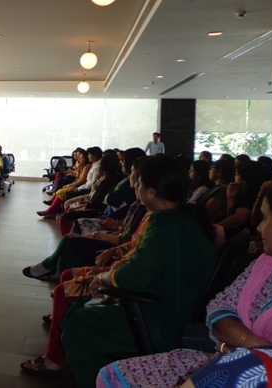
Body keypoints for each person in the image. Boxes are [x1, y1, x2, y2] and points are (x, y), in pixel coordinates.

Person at [21, 156, 217, 385]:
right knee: (74, 293)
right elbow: (143, 259)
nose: (135, 187)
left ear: (151, 192)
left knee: (78, 325)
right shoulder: (183, 217)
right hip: (176, 308)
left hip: (160, 318)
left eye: (139, 183)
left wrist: (101, 277)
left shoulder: (164, 223)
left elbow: (132, 277)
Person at [98, 182, 272, 388]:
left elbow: (131, 277)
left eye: (266, 218)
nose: (259, 227)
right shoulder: (267, 264)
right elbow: (218, 306)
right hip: (224, 354)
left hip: (251, 375)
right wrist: (252, 345)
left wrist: (247, 351)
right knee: (110, 375)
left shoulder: (166, 222)